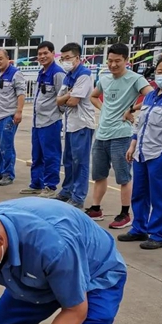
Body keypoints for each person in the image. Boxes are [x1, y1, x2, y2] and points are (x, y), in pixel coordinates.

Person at [87, 43, 153, 228]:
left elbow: (152, 96)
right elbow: (94, 96)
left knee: (123, 176)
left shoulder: (135, 79)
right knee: (99, 174)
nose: (113, 65)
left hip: (122, 135)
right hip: (102, 134)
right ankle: (96, 208)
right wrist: (104, 108)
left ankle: (125, 213)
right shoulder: (105, 79)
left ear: (126, 60)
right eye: (110, 61)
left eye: (117, 61)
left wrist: (132, 108)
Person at [120, 54, 162, 249]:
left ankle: (159, 235)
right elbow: (141, 123)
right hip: (141, 152)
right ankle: (139, 228)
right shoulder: (151, 95)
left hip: (161, 155)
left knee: (161, 195)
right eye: (160, 72)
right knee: (139, 193)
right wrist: (133, 145)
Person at [54, 43, 97, 209]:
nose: (65, 61)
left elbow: (72, 102)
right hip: (70, 125)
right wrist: (67, 95)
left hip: (82, 125)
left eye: (68, 58)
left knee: (81, 162)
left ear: (77, 58)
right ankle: (67, 191)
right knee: (69, 160)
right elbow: (58, 100)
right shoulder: (68, 77)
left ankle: (78, 196)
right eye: (63, 59)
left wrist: (67, 96)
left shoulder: (84, 75)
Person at [20, 42, 64, 196]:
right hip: (37, 122)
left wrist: (57, 114)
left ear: (53, 53)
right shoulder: (42, 72)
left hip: (50, 122)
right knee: (36, 155)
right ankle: (36, 183)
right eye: (40, 54)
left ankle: (50, 187)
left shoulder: (57, 73)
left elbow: (62, 97)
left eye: (46, 53)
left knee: (50, 155)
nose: (42, 57)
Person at [0, 49, 26, 186]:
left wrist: (19, 111)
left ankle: (8, 174)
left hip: (8, 116)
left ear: (8, 58)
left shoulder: (15, 74)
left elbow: (21, 94)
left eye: (0, 58)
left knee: (6, 145)